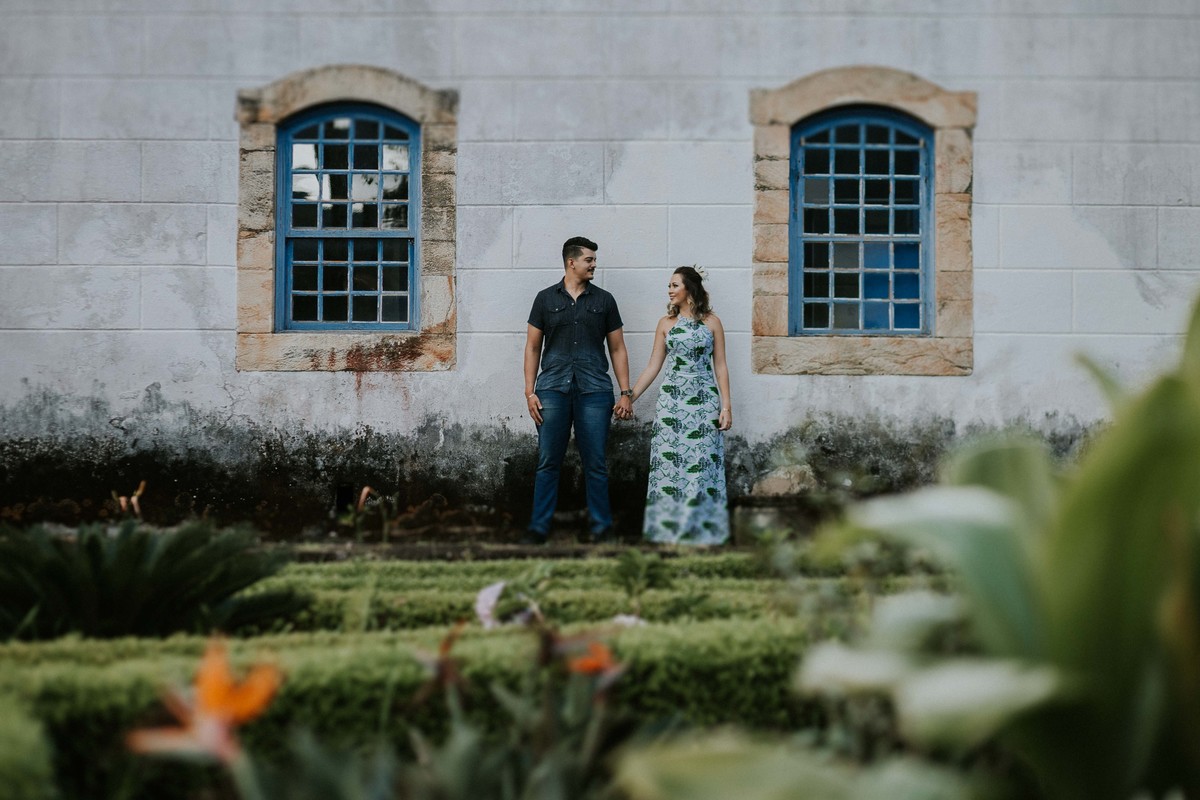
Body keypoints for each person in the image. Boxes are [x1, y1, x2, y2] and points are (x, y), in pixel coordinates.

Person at [523, 236, 634, 545]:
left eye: (594, 259)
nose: (594, 264)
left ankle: (601, 528)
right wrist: (530, 392)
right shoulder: (545, 299)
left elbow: (618, 348)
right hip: (552, 390)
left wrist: (626, 392)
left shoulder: (605, 301)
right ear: (571, 262)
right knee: (548, 461)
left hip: (594, 390)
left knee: (596, 462)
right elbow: (532, 347)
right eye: (589, 260)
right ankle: (538, 529)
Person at [628, 266, 731, 545]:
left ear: (690, 289)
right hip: (671, 403)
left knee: (702, 464)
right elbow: (653, 366)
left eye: (675, 285)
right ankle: (668, 532)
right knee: (669, 465)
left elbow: (721, 366)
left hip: (705, 402)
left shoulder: (712, 323)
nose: (670, 290)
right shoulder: (666, 324)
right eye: (669, 286)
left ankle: (699, 533)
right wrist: (629, 396)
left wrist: (726, 407)